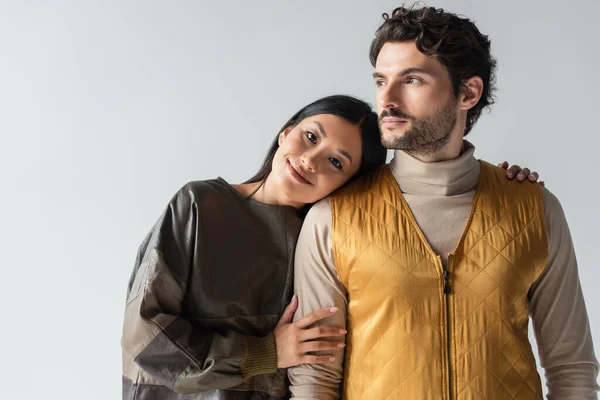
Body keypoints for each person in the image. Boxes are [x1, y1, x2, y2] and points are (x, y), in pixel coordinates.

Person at [121, 94, 538, 400]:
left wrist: (498, 187)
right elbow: (145, 340)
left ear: (348, 183)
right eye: (309, 136)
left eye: (337, 162)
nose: (312, 160)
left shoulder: (333, 238)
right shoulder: (200, 206)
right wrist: (264, 353)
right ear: (285, 134)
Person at [288, 6, 599, 400]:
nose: (386, 98)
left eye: (411, 79)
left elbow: (572, 370)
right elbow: (314, 379)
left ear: (468, 92)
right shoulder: (333, 218)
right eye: (381, 80)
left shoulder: (534, 209)